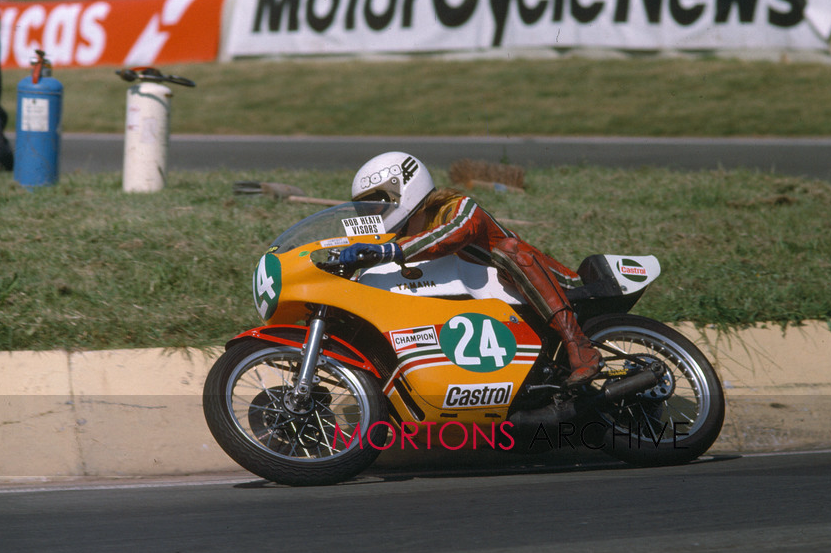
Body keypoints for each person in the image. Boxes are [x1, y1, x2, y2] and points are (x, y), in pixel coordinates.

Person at [340, 151, 602, 386]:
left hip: (544, 282)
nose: (373, 213)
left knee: (511, 250)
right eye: (365, 208)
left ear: (403, 189)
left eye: (378, 203)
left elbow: (451, 236)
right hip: (490, 306)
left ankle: (577, 344)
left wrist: (390, 251)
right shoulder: (397, 237)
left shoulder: (461, 208)